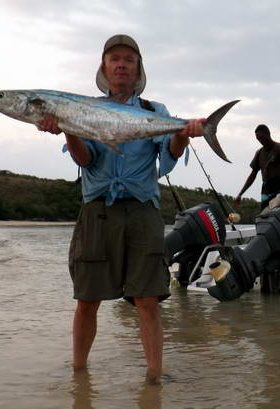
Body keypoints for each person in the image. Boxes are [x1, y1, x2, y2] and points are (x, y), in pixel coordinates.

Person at [35, 34, 205, 383]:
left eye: (129, 59)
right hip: (97, 210)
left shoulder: (155, 112)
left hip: (142, 211)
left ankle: (155, 378)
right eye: (115, 59)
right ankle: (79, 375)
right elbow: (85, 159)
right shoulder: (84, 109)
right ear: (105, 67)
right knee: (86, 299)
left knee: (147, 300)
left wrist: (183, 133)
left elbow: (168, 158)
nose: (122, 64)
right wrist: (68, 128)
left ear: (138, 68)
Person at [234, 124, 280, 213]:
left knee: (275, 213)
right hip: (266, 191)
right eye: (258, 139)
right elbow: (252, 175)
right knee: (264, 217)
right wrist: (240, 194)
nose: (260, 141)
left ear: (268, 134)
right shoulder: (259, 153)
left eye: (262, 137)